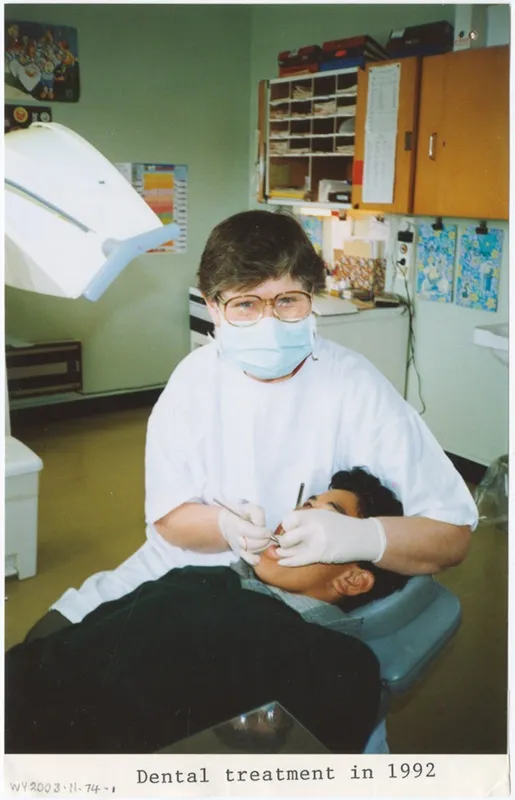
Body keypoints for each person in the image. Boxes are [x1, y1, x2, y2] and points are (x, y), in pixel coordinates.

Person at [42, 210, 476, 634]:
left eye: (287, 301)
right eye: (245, 304)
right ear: (213, 307)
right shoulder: (192, 382)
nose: (269, 322)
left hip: (287, 603)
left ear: (313, 298)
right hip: (181, 569)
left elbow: (451, 537)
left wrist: (361, 538)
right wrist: (224, 527)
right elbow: (169, 517)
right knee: (55, 633)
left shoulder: (354, 385)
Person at [6, 469, 407, 755]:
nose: (294, 521)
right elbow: (70, 646)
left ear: (352, 580)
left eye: (324, 517)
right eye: (303, 506)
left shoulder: (341, 663)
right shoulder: (197, 576)